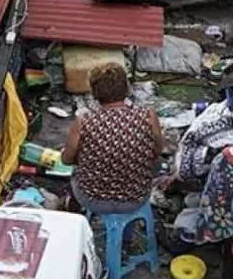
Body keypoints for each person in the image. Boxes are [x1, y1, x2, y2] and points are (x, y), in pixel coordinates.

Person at [61, 63, 163, 214]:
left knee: (74, 174)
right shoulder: (148, 116)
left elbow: (66, 160)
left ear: (95, 93)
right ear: (126, 89)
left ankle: (74, 210)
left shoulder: (84, 121)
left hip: (92, 200)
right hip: (136, 199)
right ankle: (127, 233)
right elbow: (156, 152)